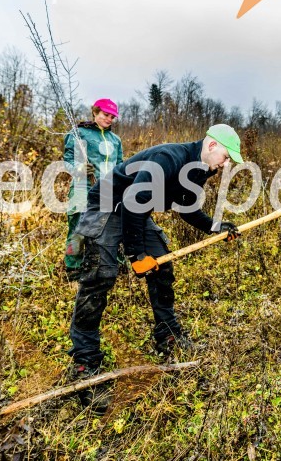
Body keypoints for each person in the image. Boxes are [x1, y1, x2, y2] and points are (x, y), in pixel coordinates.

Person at [67, 124, 243, 411]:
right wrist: (136, 255)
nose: (225, 165)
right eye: (225, 158)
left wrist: (215, 226)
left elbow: (186, 207)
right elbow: (131, 203)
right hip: (108, 204)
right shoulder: (168, 158)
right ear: (212, 146)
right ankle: (85, 362)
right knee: (100, 277)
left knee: (162, 267)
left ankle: (167, 334)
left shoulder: (200, 170)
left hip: (134, 210)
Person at [63, 98, 124, 278]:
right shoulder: (79, 133)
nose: (109, 119)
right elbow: (68, 159)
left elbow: (120, 165)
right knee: (79, 227)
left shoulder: (115, 140)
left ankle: (114, 263)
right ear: (95, 112)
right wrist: (79, 169)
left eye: (112, 117)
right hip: (83, 186)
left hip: (108, 189)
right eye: (106, 115)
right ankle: (73, 268)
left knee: (110, 226)